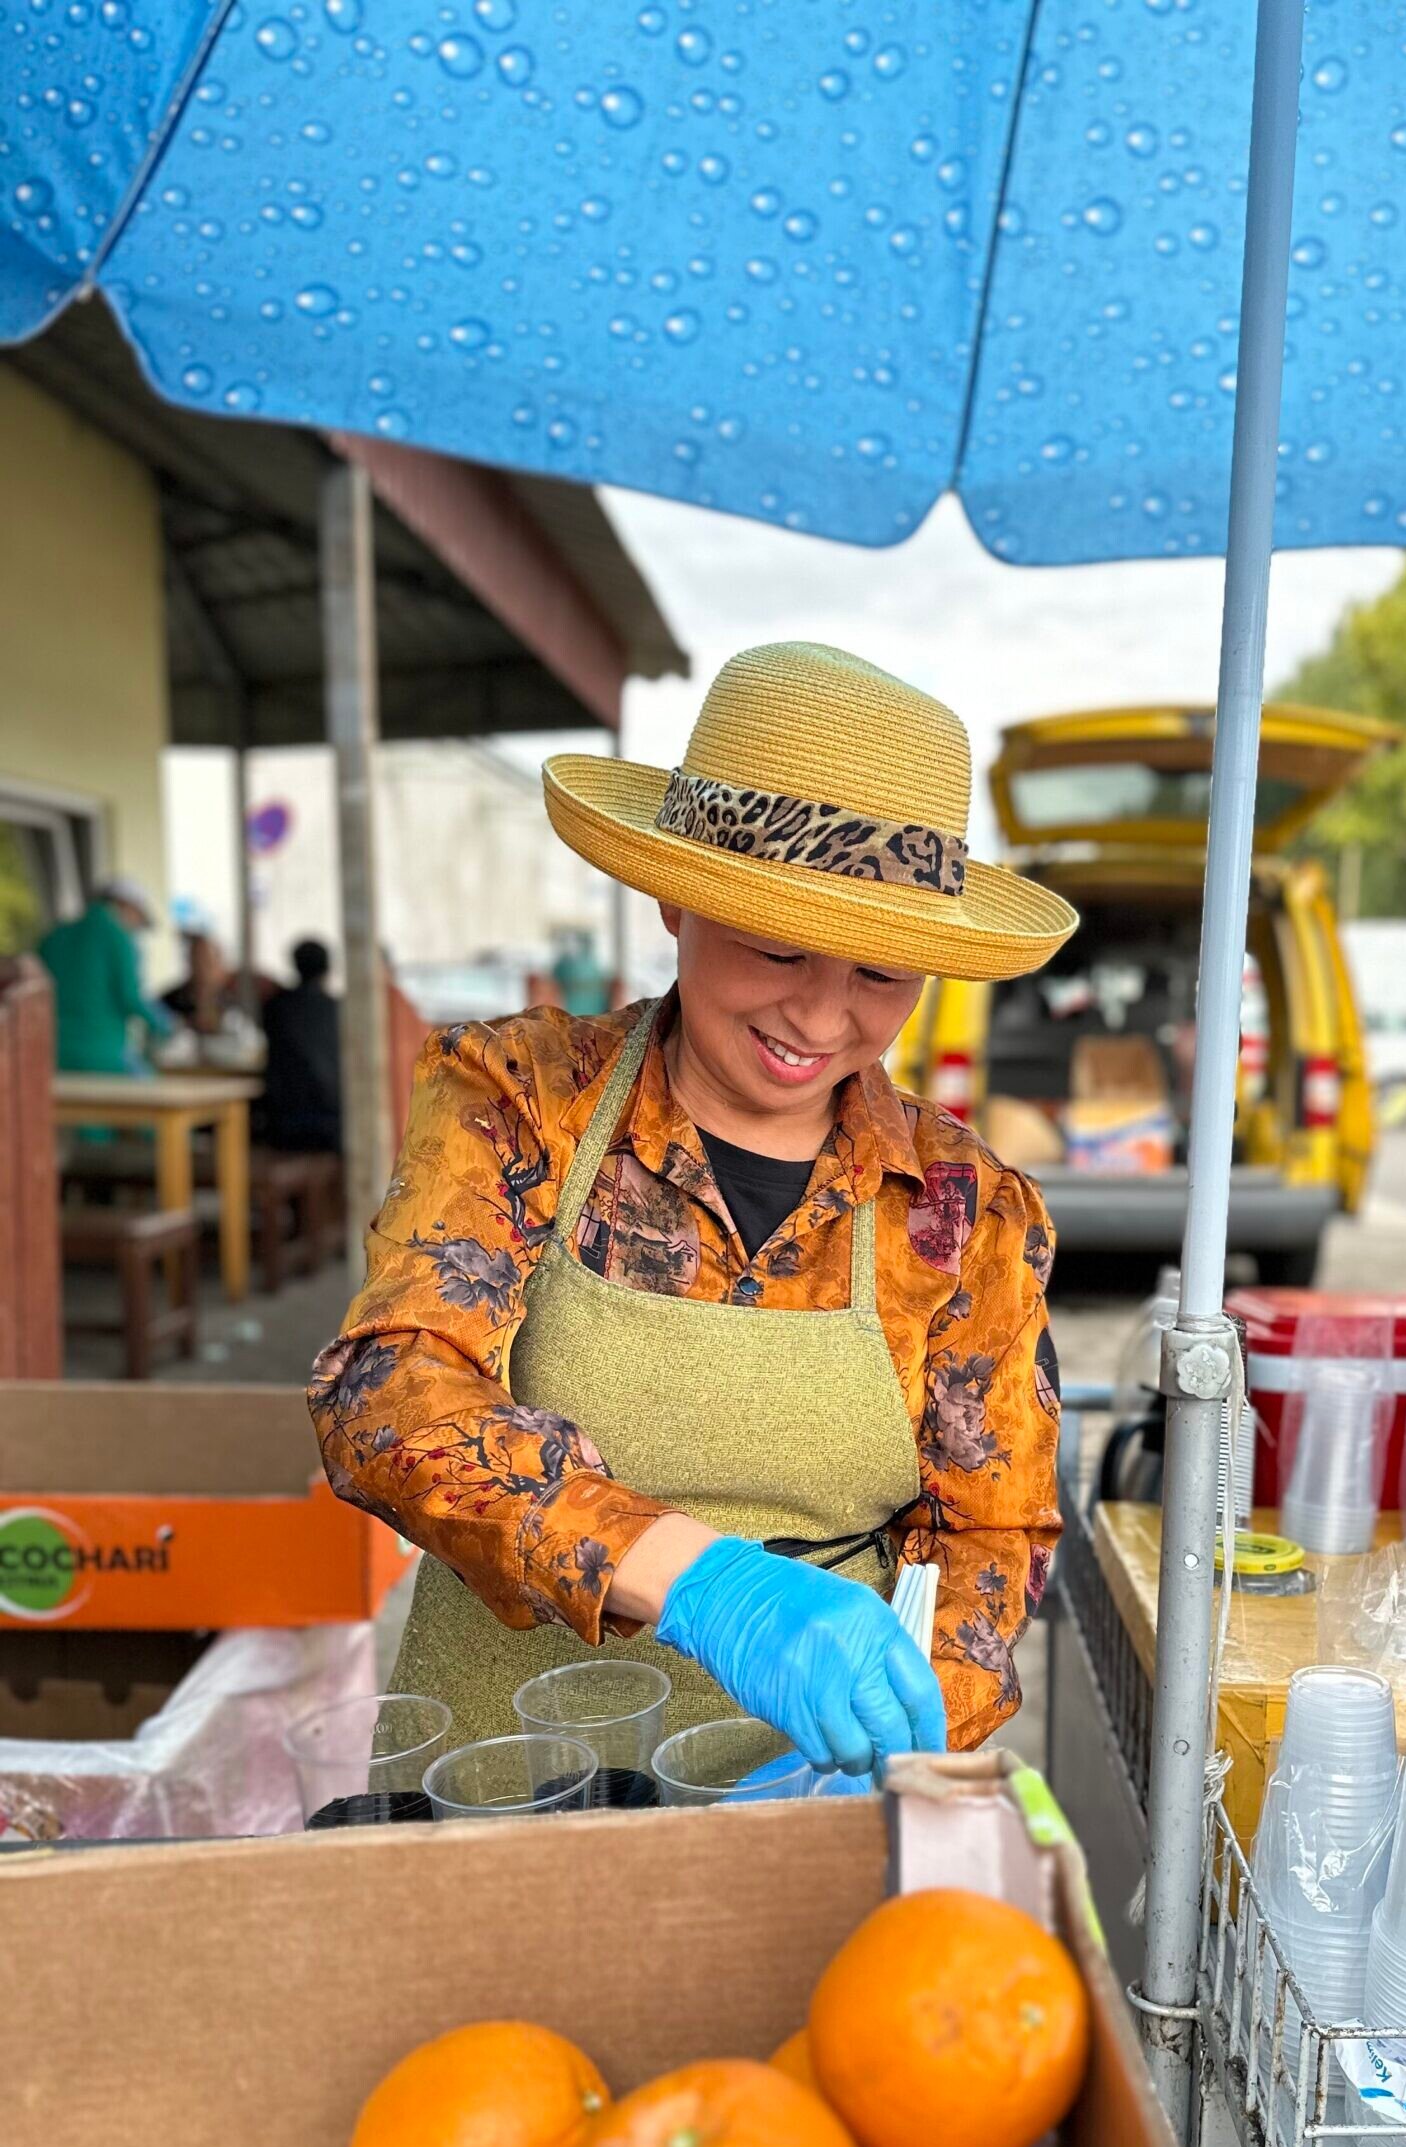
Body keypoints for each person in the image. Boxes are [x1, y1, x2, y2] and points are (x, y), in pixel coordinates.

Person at [310, 642, 1078, 1770]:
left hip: (804, 1798)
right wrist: (704, 1581)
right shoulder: (524, 1098)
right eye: (779, 946)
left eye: (881, 973)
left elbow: (992, 1539)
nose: (820, 1016)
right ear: (678, 899)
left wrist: (906, 1732)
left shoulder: (965, 1213)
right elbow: (390, 1394)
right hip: (496, 1777)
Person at [39, 877, 174, 1074]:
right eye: (138, 918)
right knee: (153, 1090)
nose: (136, 928)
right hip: (104, 1056)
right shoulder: (120, 938)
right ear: (127, 906)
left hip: (54, 1055)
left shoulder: (54, 936)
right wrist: (165, 1024)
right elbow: (131, 997)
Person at [259, 939, 343, 1154]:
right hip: (333, 1124)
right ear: (328, 969)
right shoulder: (338, 1010)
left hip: (281, 1122)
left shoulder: (274, 1007)